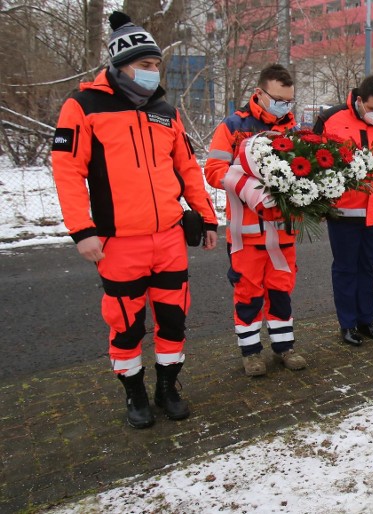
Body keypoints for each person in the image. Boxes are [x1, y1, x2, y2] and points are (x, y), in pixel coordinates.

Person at [51, 12, 219, 428]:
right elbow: (67, 171)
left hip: (168, 239)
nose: (152, 72)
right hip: (118, 242)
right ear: (120, 64)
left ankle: (167, 386)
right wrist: (81, 231)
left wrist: (207, 216)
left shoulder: (164, 110)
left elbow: (187, 168)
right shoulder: (83, 105)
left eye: (155, 65)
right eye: (144, 65)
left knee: (173, 318)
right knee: (125, 324)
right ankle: (134, 393)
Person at [205, 64, 307, 377]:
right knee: (248, 294)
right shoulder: (233, 126)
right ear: (260, 93)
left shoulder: (293, 130)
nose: (284, 106)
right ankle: (251, 353)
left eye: (289, 101)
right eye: (278, 99)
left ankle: (284, 347)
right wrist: (250, 188)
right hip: (247, 232)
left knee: (281, 291)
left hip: (284, 230)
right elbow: (213, 171)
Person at [312, 74, 373, 347]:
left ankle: (367, 320)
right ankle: (347, 323)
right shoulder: (332, 120)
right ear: (360, 100)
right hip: (342, 212)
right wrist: (318, 202)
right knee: (345, 269)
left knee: (367, 267)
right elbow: (314, 160)